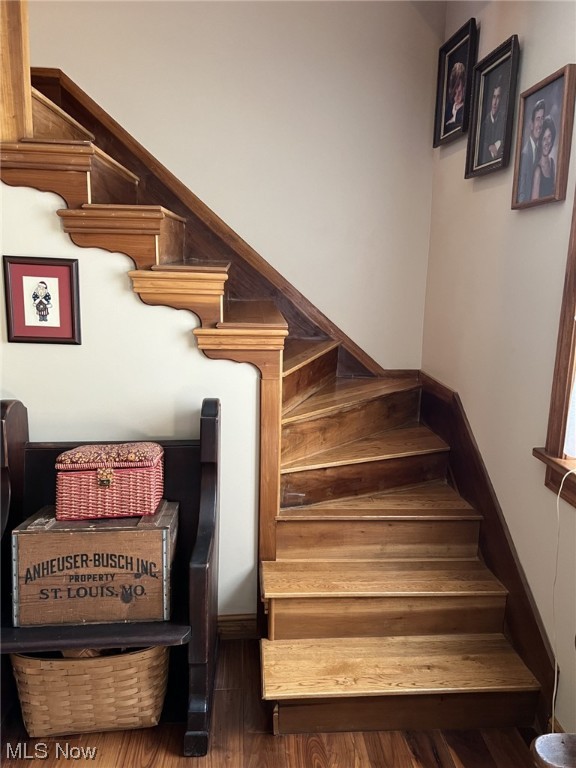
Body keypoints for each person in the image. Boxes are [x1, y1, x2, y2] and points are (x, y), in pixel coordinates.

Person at [517, 99, 545, 203]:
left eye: (542, 119)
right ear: (532, 124)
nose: (540, 124)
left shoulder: (539, 151)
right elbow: (521, 191)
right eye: (538, 119)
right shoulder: (525, 153)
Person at [480, 78, 505, 165]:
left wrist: (497, 145)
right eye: (493, 97)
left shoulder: (504, 121)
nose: (495, 102)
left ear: (501, 100)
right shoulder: (484, 124)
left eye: (498, 97)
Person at [531, 115, 556, 199]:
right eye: (544, 138)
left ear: (552, 140)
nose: (546, 142)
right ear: (540, 141)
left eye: (549, 137)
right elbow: (533, 207)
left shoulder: (552, 164)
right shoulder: (538, 171)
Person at [444, 61, 465, 130]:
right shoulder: (448, 109)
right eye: (454, 86)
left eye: (458, 85)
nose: (457, 90)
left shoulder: (465, 109)